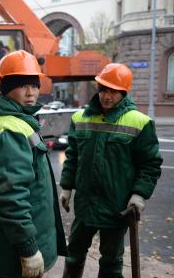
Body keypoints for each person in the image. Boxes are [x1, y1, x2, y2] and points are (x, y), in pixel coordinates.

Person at [59, 63, 163, 278]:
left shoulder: (140, 122)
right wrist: (67, 187)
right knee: (74, 254)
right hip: (85, 205)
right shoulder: (80, 118)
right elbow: (73, 156)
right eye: (104, 90)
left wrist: (139, 194)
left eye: (114, 91)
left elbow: (150, 164)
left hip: (116, 208)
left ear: (123, 92)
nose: (107, 96)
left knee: (111, 261)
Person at [0, 50, 67, 278]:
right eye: (22, 85)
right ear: (6, 88)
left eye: (34, 85)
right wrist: (28, 249)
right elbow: (10, 196)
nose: (30, 92)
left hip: (10, 246)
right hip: (13, 253)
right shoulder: (9, 129)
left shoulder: (17, 122)